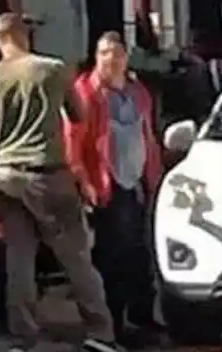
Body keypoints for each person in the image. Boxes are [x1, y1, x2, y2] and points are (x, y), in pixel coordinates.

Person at [0, 12, 121, 352]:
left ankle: (23, 338)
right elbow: (79, 116)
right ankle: (100, 332)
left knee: (19, 261)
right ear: (25, 36)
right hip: (50, 175)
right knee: (76, 258)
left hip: (8, 179)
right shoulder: (52, 70)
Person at [67, 31, 164, 344]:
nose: (110, 59)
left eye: (115, 53)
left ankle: (142, 316)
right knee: (112, 256)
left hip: (138, 183)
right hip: (107, 185)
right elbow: (73, 142)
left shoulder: (139, 93)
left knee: (140, 253)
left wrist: (155, 175)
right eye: (103, 53)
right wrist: (84, 181)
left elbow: (149, 136)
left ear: (125, 57)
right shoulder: (85, 92)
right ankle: (114, 325)